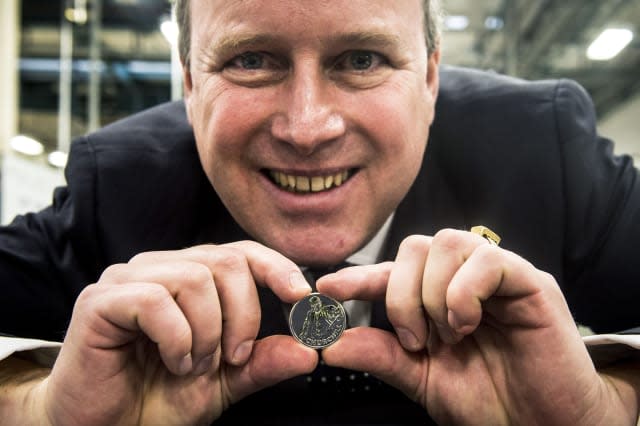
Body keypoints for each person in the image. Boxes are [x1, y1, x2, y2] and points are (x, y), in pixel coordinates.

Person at [0, 0, 639, 424]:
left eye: (362, 60)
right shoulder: (118, 182)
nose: (307, 127)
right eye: (250, 60)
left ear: (430, 79)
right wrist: (38, 410)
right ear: (190, 84)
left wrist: (608, 409)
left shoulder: (544, 150)